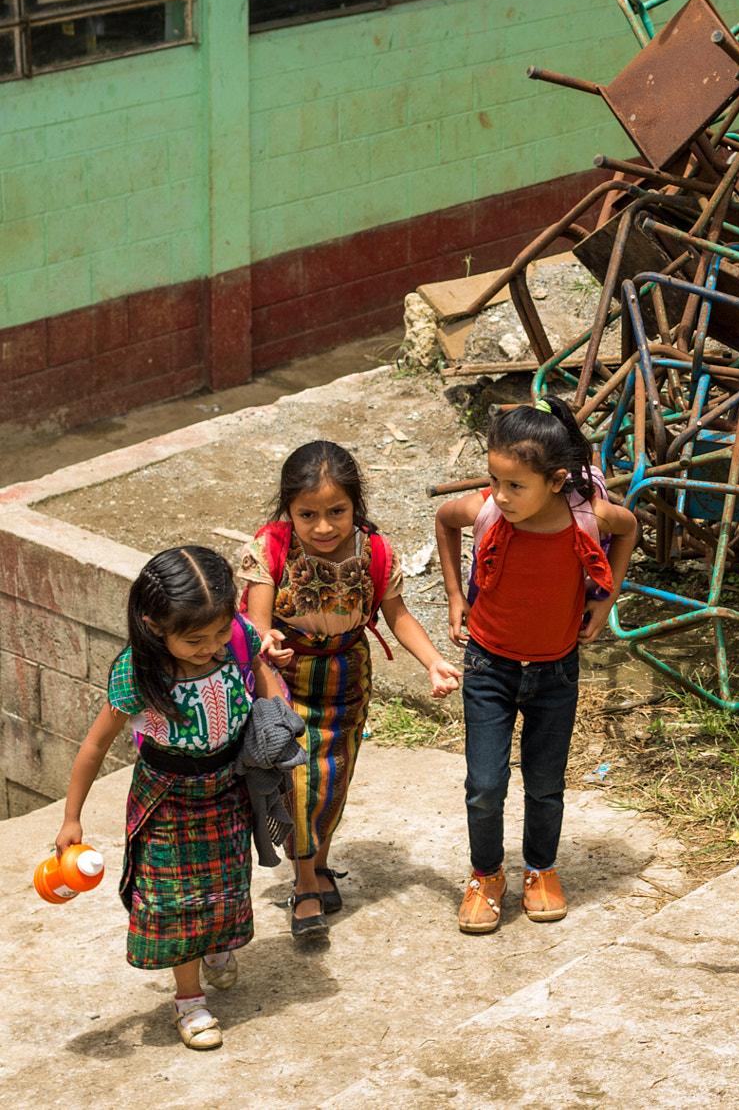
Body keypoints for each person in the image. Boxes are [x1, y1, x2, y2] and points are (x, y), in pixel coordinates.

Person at [55, 546, 292, 1050]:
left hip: (228, 788)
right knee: (176, 902)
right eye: (194, 639)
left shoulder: (240, 638)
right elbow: (95, 744)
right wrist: (71, 817)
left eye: (219, 633)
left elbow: (262, 674)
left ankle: (216, 947)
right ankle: (189, 1001)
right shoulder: (137, 674)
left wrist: (273, 724)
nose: (211, 647)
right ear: (154, 627)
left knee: (227, 884)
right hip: (167, 800)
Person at [238, 440, 460, 937]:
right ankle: (306, 886)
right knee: (296, 783)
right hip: (283, 680)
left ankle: (316, 866)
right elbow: (255, 625)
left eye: (336, 511)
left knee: (331, 781)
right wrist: (266, 640)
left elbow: (397, 616)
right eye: (307, 513)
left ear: (355, 506)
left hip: (346, 683)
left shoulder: (376, 552)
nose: (323, 526)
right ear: (287, 509)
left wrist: (434, 662)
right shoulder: (269, 548)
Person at [434, 398, 636, 934]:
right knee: (484, 783)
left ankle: (541, 869)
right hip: (488, 668)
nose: (500, 496)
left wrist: (605, 599)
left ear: (555, 480)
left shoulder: (587, 518)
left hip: (555, 671)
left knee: (545, 784)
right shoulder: (486, 512)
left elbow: (631, 528)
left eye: (515, 485)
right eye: (494, 480)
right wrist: (456, 595)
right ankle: (486, 874)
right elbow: (443, 519)